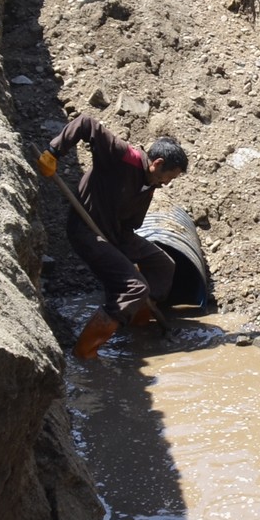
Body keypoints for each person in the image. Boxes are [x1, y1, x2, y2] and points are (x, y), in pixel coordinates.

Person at [36, 117, 187, 360]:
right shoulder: (122, 156)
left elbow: (131, 225)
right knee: (135, 288)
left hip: (117, 234)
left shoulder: (150, 183)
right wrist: (55, 150)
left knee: (163, 265)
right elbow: (86, 124)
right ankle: (84, 352)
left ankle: (136, 324)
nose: (167, 183)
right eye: (169, 176)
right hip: (87, 231)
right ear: (157, 163)